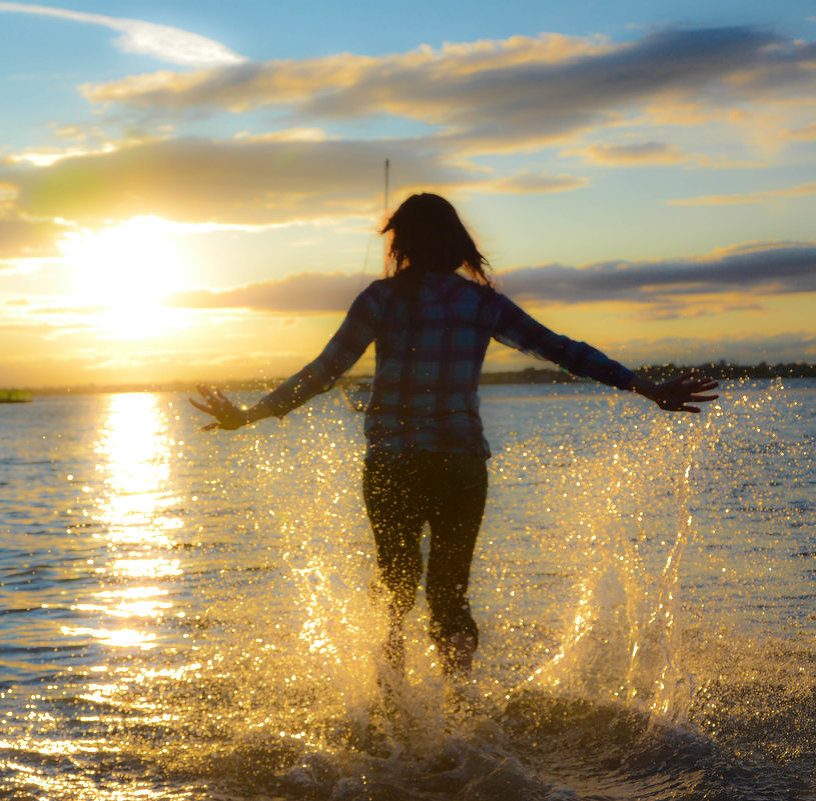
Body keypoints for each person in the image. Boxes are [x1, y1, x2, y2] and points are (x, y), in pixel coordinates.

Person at [191, 193, 718, 679]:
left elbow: (324, 371)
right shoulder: (481, 304)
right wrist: (646, 388)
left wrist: (251, 414)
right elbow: (562, 350)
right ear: (458, 244)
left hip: (393, 464)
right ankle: (459, 712)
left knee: (395, 589)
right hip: (459, 467)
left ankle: (392, 711)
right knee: (449, 594)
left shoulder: (380, 300)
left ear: (401, 245)